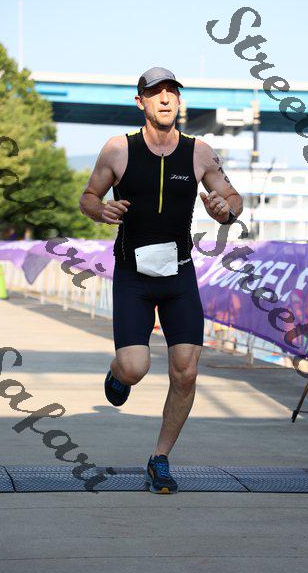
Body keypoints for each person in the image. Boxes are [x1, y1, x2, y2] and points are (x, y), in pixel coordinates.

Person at [79, 66, 243, 494]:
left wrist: (225, 210)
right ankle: (118, 373)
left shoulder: (199, 152)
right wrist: (101, 210)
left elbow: (234, 198)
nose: (166, 98)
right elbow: (88, 197)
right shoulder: (118, 149)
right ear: (141, 102)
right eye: (156, 93)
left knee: (186, 371)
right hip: (133, 275)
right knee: (136, 367)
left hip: (179, 275)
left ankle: (160, 458)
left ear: (179, 100)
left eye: (172, 91)